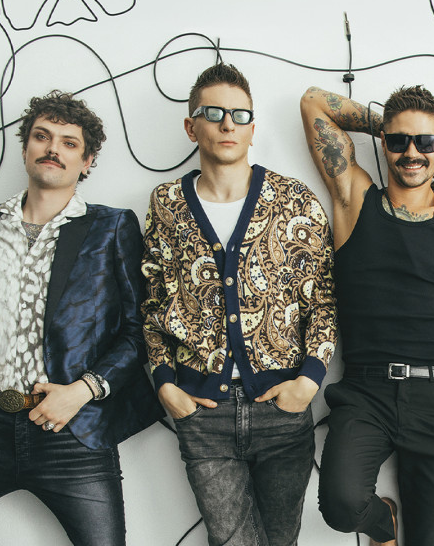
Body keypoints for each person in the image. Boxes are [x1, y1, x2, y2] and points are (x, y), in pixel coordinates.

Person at [0, 91, 163, 546]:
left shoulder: (111, 226)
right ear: (25, 148)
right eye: (42, 136)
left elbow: (139, 331)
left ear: (87, 161)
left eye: (69, 143)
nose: (53, 148)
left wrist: (82, 390)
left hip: (71, 431)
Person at [142, 63, 336, 546]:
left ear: (252, 128)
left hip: (282, 411)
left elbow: (323, 300)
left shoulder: (293, 200)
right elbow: (153, 303)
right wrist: (165, 384)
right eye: (213, 113)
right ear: (191, 126)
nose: (227, 124)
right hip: (202, 414)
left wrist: (309, 381)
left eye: (240, 114)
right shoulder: (167, 204)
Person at [300, 85, 434, 546]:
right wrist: (386, 125)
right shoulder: (354, 199)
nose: (412, 153)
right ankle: (383, 521)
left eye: (425, 142)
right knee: (341, 504)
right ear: (385, 142)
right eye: (399, 141)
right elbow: (313, 102)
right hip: (365, 392)